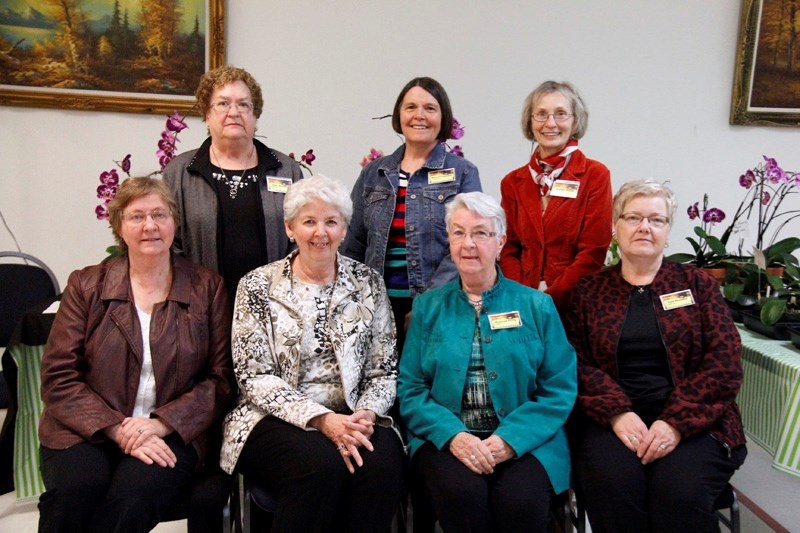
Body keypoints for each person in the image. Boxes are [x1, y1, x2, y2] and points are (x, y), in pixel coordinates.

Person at [38, 176, 235, 533]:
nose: (150, 226)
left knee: (134, 495)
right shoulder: (86, 285)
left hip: (175, 431)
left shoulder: (207, 287)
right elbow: (58, 377)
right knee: (76, 490)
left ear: (175, 223)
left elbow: (219, 379)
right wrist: (118, 428)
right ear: (118, 226)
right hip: (86, 429)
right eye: (136, 217)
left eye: (159, 215)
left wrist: (161, 424)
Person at [220, 175, 405, 531]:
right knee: (318, 464)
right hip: (272, 417)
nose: (320, 232)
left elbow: (383, 369)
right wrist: (321, 420)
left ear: (344, 229)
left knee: (381, 464)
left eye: (331, 222)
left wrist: (366, 414)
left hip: (354, 415)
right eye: (309, 221)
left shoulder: (368, 282)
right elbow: (253, 375)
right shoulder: (257, 285)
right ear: (290, 228)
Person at [565, 179, 747, 532]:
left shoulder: (698, 285)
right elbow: (574, 363)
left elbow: (724, 364)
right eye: (633, 218)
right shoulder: (588, 290)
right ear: (615, 228)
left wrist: (674, 422)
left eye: (656, 220)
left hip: (696, 423)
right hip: (610, 422)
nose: (644, 227)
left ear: (668, 230)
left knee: (678, 495)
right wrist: (617, 413)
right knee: (615, 490)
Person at [398, 192, 577, 532]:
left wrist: (509, 440)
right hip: (447, 438)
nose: (468, 244)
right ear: (448, 240)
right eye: (458, 233)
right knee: (460, 496)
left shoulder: (537, 306)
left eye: (481, 233)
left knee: (520, 502)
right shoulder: (427, 307)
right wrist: (455, 436)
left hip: (528, 440)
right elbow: (411, 388)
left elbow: (558, 388)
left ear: (500, 242)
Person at [342, 76, 481, 354]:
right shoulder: (374, 173)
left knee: (428, 387)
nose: (420, 115)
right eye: (411, 107)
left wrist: (427, 304)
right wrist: (352, 300)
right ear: (399, 115)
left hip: (438, 307)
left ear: (443, 117)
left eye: (430, 108)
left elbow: (469, 244)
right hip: (375, 309)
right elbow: (353, 242)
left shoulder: (463, 173)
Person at [163, 65, 303, 298]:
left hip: (274, 307)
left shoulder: (285, 170)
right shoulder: (180, 172)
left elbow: (300, 238)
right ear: (206, 115)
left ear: (255, 115)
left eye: (244, 104)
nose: (234, 111)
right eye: (223, 103)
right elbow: (169, 243)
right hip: (201, 307)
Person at [499, 80, 612, 313]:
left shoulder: (595, 175)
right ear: (530, 122)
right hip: (522, 303)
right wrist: (524, 296)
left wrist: (549, 299)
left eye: (560, 114)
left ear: (575, 120)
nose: (550, 123)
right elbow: (508, 248)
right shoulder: (512, 182)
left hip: (574, 302)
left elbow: (593, 251)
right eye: (541, 114)